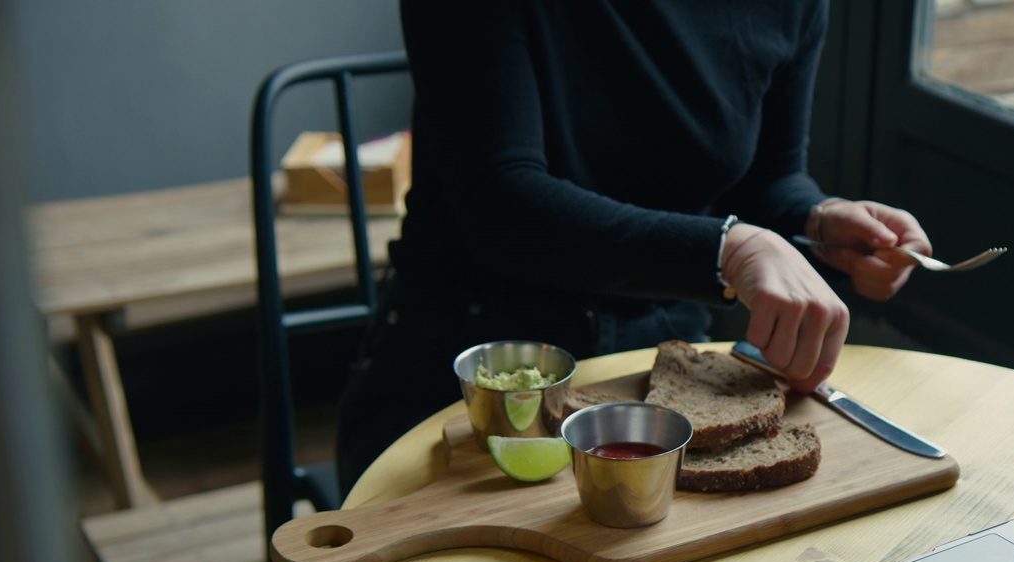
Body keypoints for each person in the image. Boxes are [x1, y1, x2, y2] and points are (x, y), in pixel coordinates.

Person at [335, 0, 931, 494]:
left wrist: (819, 222)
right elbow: (501, 201)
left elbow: (766, 178)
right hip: (473, 364)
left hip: (657, 355)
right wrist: (731, 249)